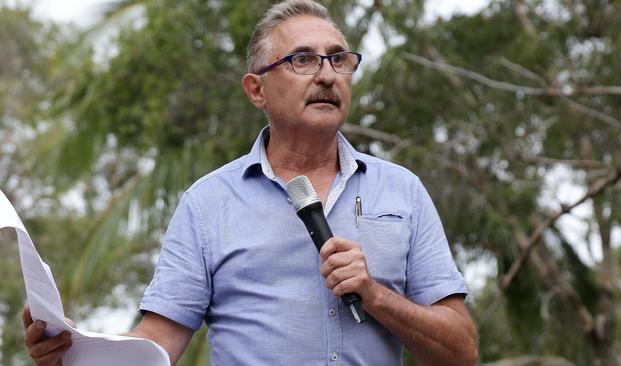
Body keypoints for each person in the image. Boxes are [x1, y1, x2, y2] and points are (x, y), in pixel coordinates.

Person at [23, 0, 478, 365]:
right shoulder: (208, 203)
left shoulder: (402, 191)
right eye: (303, 59)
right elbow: (157, 344)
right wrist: (74, 353)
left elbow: (462, 351)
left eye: (338, 59)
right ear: (256, 90)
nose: (326, 74)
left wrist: (376, 296)